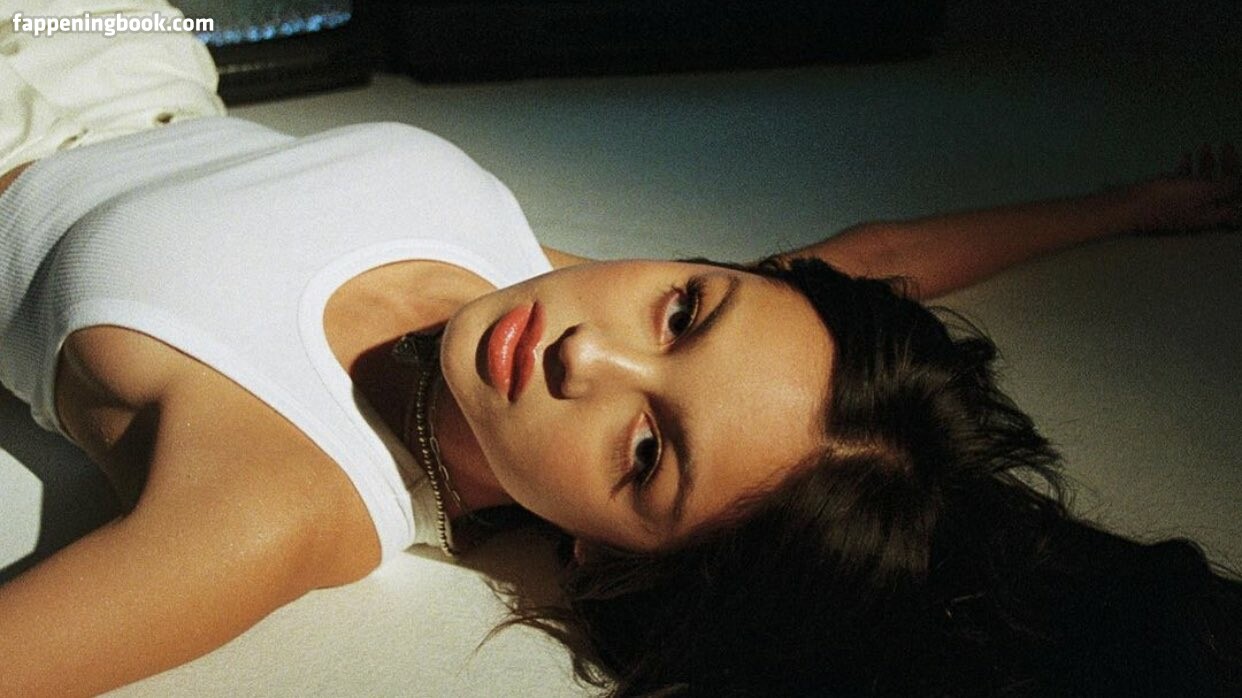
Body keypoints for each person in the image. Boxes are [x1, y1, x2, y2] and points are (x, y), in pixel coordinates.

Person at [1, 2, 1240, 695]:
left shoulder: (285, 494)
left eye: (647, 451)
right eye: (687, 312)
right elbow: (879, 254)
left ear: (606, 555)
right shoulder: (548, 290)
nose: (587, 357)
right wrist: (1133, 204)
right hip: (129, 34)